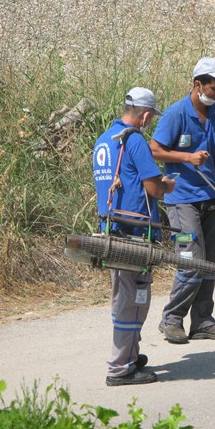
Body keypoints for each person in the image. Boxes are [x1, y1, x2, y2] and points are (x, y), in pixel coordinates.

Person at [93, 87, 176, 385]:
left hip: (112, 229)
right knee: (135, 300)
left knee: (124, 297)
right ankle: (121, 368)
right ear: (145, 115)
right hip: (134, 233)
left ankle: (130, 353)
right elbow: (153, 188)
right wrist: (167, 185)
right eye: (151, 117)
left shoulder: (105, 139)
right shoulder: (135, 140)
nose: (150, 122)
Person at [150, 57, 215, 344]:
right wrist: (187, 157)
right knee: (191, 260)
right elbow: (154, 150)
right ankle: (172, 319)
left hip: (211, 196)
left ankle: (203, 322)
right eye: (213, 87)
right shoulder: (176, 114)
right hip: (182, 200)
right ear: (198, 84)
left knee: (208, 262)